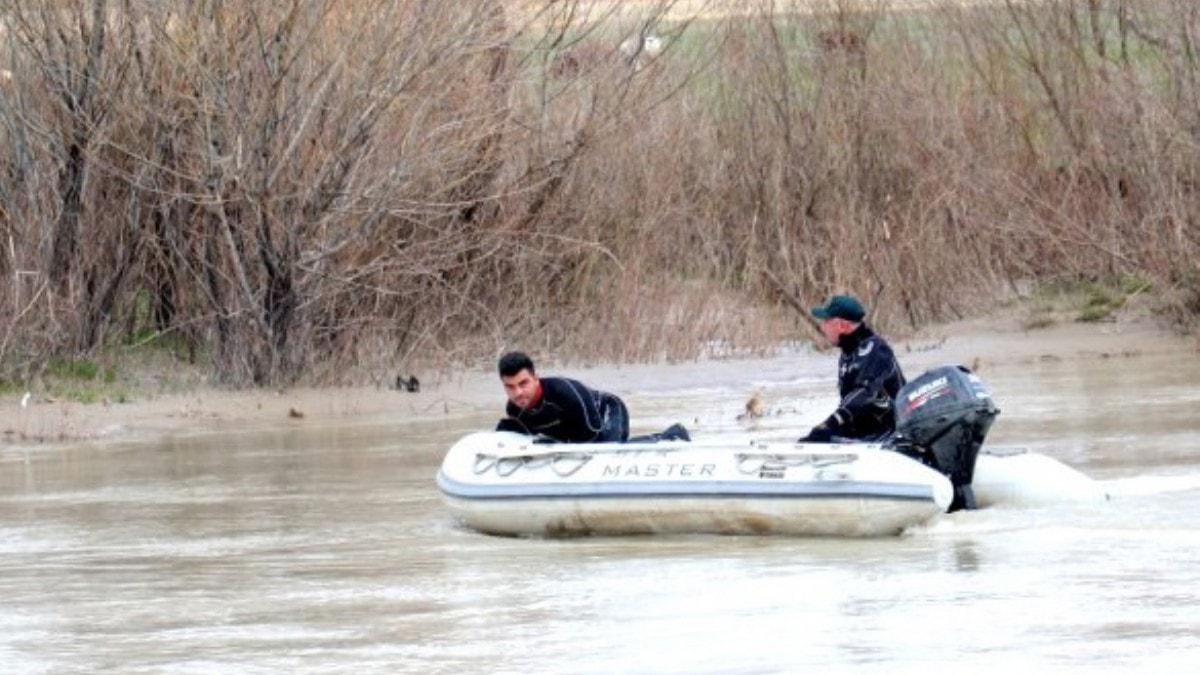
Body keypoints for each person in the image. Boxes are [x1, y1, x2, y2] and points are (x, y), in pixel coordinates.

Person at [799, 294, 906, 443]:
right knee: (813, 440)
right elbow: (849, 404)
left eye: (826, 322)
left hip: (889, 433)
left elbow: (865, 393)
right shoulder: (848, 353)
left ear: (842, 326)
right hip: (863, 432)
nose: (822, 327)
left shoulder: (877, 350)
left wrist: (833, 422)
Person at [495, 351, 630, 443]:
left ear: (536, 379)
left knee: (608, 447)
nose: (518, 393)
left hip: (607, 410)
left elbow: (591, 436)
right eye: (510, 387)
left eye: (523, 383)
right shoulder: (514, 409)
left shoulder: (564, 393)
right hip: (570, 428)